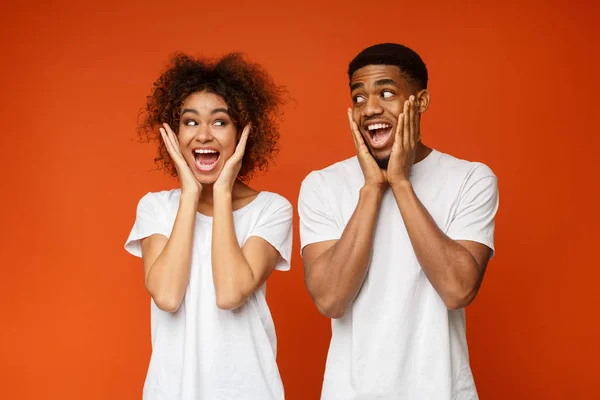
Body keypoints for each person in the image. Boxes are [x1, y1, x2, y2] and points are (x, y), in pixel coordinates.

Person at [298, 43, 499, 399]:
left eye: (386, 93)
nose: (370, 108)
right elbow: (330, 300)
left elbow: (457, 290)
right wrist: (373, 188)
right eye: (358, 98)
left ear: (420, 101)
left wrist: (401, 183)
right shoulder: (322, 185)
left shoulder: (471, 179)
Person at [124, 53, 292, 400]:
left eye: (220, 122)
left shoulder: (271, 209)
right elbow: (168, 296)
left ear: (244, 133)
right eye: (190, 122)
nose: (204, 135)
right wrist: (189, 192)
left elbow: (230, 294)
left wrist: (222, 192)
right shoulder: (156, 207)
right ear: (174, 132)